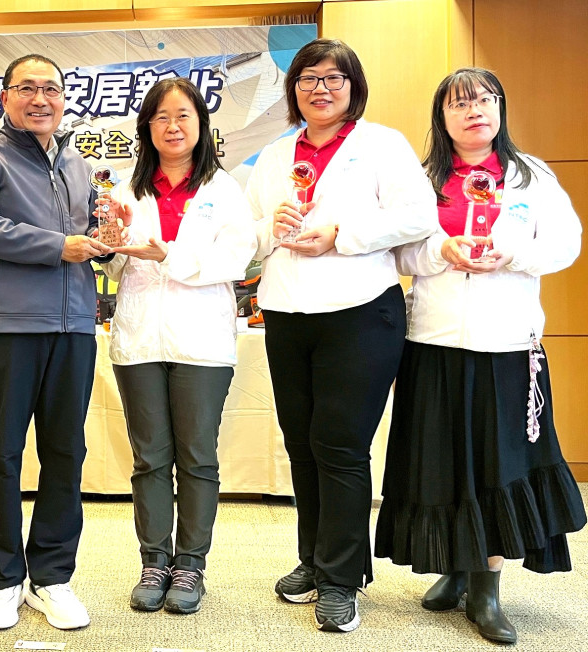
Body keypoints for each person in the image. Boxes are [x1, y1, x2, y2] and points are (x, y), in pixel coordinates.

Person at [374, 67, 586, 645]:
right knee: (442, 461)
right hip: (433, 342)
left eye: (485, 100)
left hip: (507, 345)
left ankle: (486, 589)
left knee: (496, 464)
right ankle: (455, 566)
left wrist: (511, 254)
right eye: (460, 103)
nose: (475, 111)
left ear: (500, 109)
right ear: (441, 117)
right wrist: (441, 250)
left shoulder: (531, 175)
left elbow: (566, 244)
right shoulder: (423, 179)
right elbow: (398, 253)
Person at [244, 38, 437, 632]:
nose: (320, 89)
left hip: (361, 313)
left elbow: (418, 216)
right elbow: (248, 234)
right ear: (293, 88)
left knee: (340, 445)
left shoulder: (382, 144)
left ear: (353, 87)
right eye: (308, 78)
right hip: (286, 312)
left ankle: (341, 578)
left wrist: (340, 234)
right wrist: (270, 226)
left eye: (333, 78)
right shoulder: (276, 154)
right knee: (301, 443)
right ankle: (313, 557)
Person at [0, 53, 113, 631]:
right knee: (2, 455)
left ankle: (52, 577)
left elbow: (87, 234)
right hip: (7, 324)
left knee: (66, 453)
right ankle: (2, 581)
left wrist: (107, 236)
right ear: (5, 97)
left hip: (74, 325)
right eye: (27, 88)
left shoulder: (76, 161)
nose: (40, 99)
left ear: (64, 99)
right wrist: (58, 246)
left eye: (52, 89)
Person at [99, 78, 255, 614]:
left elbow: (236, 260)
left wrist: (167, 256)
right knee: (149, 459)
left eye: (183, 115)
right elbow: (115, 267)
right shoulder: (127, 191)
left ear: (202, 126)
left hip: (202, 342)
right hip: (139, 339)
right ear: (147, 128)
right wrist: (112, 244)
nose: (172, 126)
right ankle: (153, 561)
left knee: (197, 458)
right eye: (161, 117)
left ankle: (190, 565)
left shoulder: (223, 190)